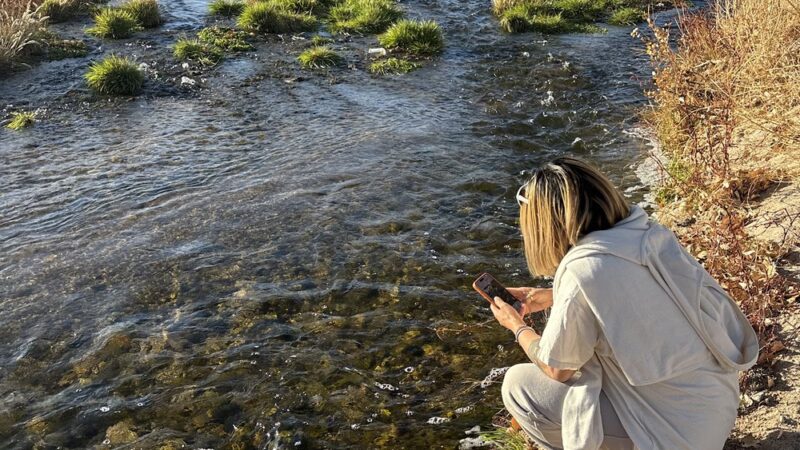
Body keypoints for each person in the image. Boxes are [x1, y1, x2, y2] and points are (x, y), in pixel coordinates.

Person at [488, 157, 759, 450]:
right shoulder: (649, 234)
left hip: (673, 438)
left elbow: (556, 369)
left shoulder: (581, 270)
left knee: (518, 387)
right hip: (715, 415)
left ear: (546, 226)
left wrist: (516, 327)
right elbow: (639, 296)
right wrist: (555, 295)